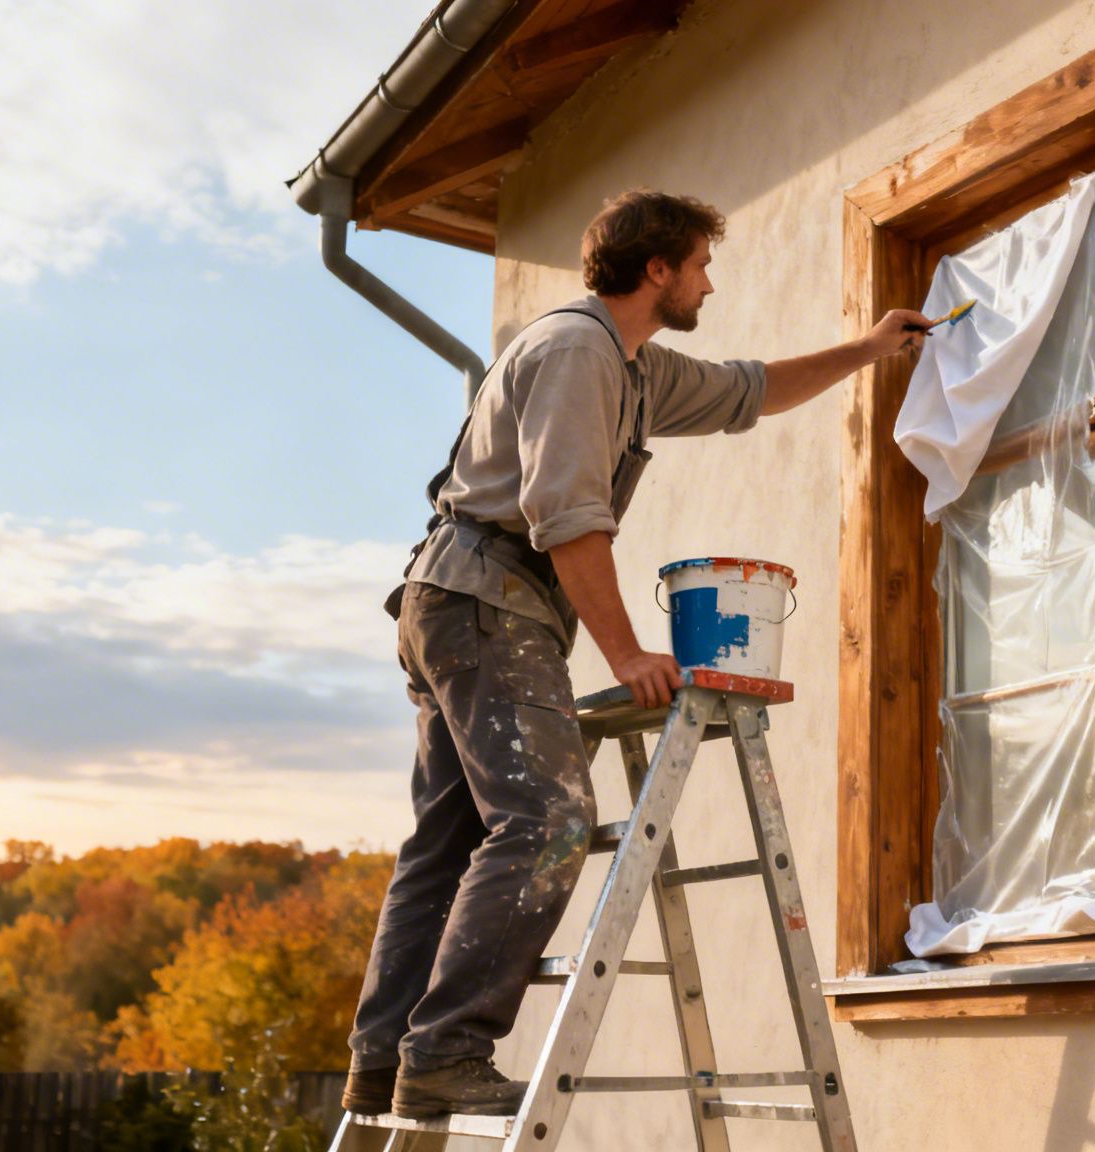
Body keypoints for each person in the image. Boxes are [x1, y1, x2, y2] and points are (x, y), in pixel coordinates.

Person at [342, 189, 931, 1120]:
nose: (710, 280)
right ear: (656, 269)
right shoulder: (579, 351)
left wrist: (869, 349)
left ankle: (383, 1058)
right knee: (551, 818)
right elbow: (568, 513)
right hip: (485, 599)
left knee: (449, 841)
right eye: (700, 263)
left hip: (458, 599)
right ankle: (446, 1048)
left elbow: (750, 389)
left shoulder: (636, 367)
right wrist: (625, 654)